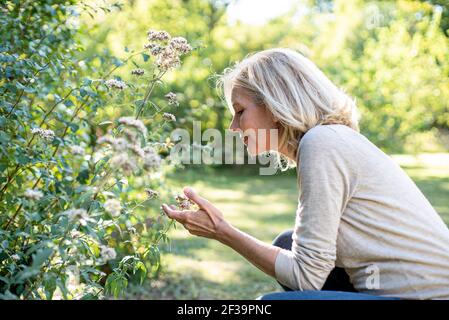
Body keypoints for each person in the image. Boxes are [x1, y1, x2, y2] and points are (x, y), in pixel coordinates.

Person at [161, 48, 449, 300]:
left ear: (273, 105)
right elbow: (311, 266)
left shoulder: (322, 143)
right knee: (286, 244)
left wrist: (223, 231)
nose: (233, 127)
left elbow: (305, 278)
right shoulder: (330, 140)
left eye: (240, 111)